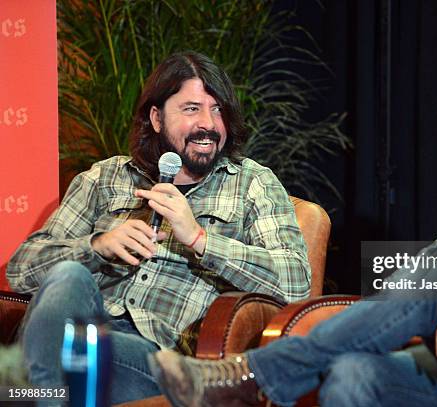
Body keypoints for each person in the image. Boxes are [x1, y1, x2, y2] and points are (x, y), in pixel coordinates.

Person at [148, 59, 437, 407]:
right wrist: (391, 306)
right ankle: (256, 377)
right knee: (352, 371)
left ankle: (250, 378)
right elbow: (429, 268)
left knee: (431, 284)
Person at [7, 51, 311, 404]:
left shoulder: (251, 184)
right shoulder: (104, 177)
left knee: (67, 349)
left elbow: (296, 282)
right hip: (80, 325)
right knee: (70, 277)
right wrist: (97, 246)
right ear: (156, 118)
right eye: (191, 109)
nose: (209, 124)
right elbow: (21, 269)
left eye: (218, 110)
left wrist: (200, 238)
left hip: (150, 358)